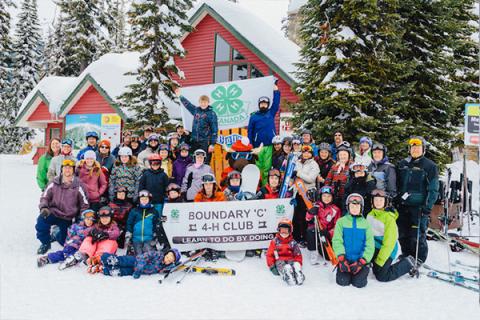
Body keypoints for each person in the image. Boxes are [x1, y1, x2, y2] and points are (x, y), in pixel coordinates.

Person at [396, 136, 439, 264]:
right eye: (413, 148)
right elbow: (397, 184)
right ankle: (406, 255)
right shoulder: (402, 164)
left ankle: (419, 258)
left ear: (423, 149)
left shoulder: (430, 166)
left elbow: (433, 189)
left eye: (418, 147)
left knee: (417, 234)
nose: (415, 150)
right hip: (403, 206)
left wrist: (427, 207)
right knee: (403, 233)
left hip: (419, 208)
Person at [36, 159, 89, 254]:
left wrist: (81, 218)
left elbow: (84, 204)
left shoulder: (79, 185)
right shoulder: (54, 182)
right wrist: (44, 207)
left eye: (70, 168)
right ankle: (45, 243)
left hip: (67, 217)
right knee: (41, 222)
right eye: (65, 168)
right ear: (61, 169)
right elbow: (45, 197)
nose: (67, 170)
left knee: (63, 242)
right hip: (53, 212)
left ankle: (56, 234)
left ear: (73, 170)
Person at [367, 189, 419, 281]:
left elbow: (389, 243)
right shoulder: (370, 215)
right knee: (375, 271)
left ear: (386, 202)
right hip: (375, 248)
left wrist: (380, 259)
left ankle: (407, 263)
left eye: (381, 200)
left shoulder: (389, 219)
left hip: (387, 250)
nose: (378, 203)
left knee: (382, 276)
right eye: (376, 200)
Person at [332, 194, 374, 288]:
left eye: (357, 206)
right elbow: (337, 240)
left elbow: (370, 245)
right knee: (342, 282)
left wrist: (362, 262)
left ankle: (363, 269)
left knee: (359, 283)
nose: (354, 208)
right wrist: (341, 259)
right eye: (352, 206)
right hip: (345, 260)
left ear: (361, 207)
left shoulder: (366, 224)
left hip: (360, 261)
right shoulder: (341, 222)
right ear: (348, 207)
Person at [247, 84, 280, 184]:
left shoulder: (271, 113)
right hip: (258, 147)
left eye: (265, 104)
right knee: (258, 168)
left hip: (269, 145)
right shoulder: (254, 117)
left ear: (268, 104)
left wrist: (276, 91)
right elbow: (250, 131)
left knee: (267, 168)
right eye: (262, 103)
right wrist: (251, 145)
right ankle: (257, 187)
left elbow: (276, 103)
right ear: (259, 104)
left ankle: (265, 187)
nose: (263, 105)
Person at [72, 206, 120, 273]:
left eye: (106, 218)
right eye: (102, 218)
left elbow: (116, 233)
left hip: (105, 250)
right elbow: (85, 231)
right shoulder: (97, 225)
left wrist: (106, 234)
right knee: (89, 238)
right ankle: (84, 254)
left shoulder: (113, 226)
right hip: (94, 249)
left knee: (111, 241)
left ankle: (99, 258)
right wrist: (92, 232)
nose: (104, 220)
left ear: (111, 218)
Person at [176, 88, 218, 164]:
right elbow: (188, 105)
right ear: (199, 102)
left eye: (205, 102)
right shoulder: (196, 111)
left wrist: (212, 144)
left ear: (208, 103)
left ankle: (205, 175)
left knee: (204, 161)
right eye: (202, 102)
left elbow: (214, 130)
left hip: (205, 142)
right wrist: (180, 96)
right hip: (194, 141)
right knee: (193, 160)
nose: (203, 104)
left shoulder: (211, 114)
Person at [305, 185, 340, 265]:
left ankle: (321, 246)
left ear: (332, 197)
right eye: (324, 196)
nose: (326, 198)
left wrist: (329, 233)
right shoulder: (316, 206)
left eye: (329, 196)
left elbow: (337, 226)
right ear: (320, 196)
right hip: (317, 230)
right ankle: (313, 252)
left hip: (326, 234)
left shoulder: (335, 210)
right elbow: (307, 219)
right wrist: (310, 212)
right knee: (310, 230)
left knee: (328, 257)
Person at [292, 145, 320, 246]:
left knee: (304, 217)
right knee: (296, 217)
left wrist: (298, 173)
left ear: (311, 154)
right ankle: (296, 237)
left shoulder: (314, 164)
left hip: (307, 194)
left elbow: (311, 178)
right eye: (304, 152)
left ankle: (304, 238)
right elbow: (293, 176)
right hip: (297, 193)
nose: (306, 154)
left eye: (308, 152)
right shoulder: (297, 162)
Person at [126, 190, 168, 255]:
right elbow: (129, 222)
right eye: (142, 199)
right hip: (136, 238)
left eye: (146, 199)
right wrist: (129, 232)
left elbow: (156, 223)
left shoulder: (154, 211)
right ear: (139, 200)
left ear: (149, 200)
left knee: (148, 255)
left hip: (149, 238)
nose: (144, 201)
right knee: (138, 256)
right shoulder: (134, 211)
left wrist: (155, 234)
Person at [266, 218, 304, 286]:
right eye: (282, 230)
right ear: (278, 230)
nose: (283, 232)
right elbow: (269, 255)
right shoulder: (274, 242)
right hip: (279, 260)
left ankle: (298, 273)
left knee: (294, 265)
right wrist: (272, 266)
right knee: (284, 266)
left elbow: (298, 254)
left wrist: (298, 263)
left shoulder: (293, 242)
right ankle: (287, 275)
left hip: (290, 259)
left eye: (286, 230)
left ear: (290, 231)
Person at [101, 248, 181, 278]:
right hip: (135, 261)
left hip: (136, 271)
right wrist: (139, 268)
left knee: (122, 272)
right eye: (167, 257)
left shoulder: (165, 267)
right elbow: (144, 257)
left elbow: (171, 269)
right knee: (122, 261)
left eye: (170, 260)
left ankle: (105, 270)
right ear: (166, 254)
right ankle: (106, 258)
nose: (167, 260)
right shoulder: (157, 254)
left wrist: (177, 264)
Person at [325, 142, 352, 209]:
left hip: (346, 196)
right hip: (334, 195)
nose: (342, 156)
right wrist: (327, 191)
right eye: (341, 155)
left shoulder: (352, 167)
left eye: (345, 154)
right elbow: (328, 180)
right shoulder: (335, 167)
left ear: (348, 155)